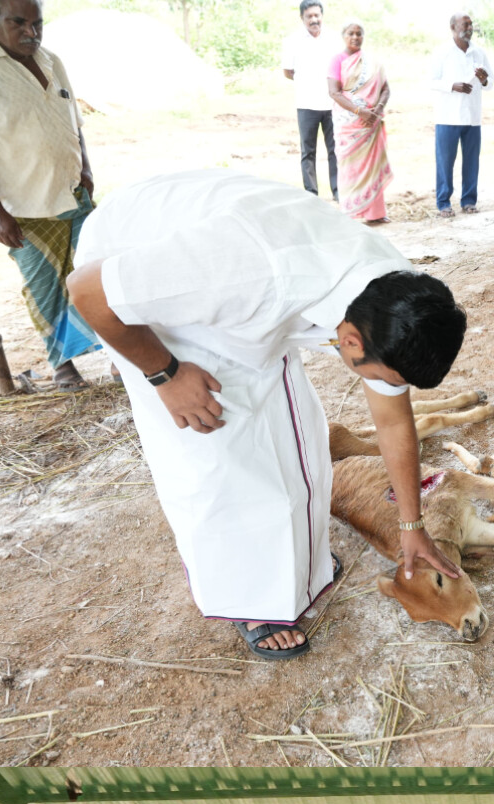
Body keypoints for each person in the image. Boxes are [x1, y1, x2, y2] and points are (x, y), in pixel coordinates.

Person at [67, 169, 466, 660]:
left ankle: (300, 565)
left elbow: (392, 420)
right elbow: (86, 291)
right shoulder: (240, 271)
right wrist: (165, 374)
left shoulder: (396, 294)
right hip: (132, 273)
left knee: (296, 427)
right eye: (386, 376)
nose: (388, 388)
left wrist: (411, 526)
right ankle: (249, 600)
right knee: (217, 448)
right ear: (351, 341)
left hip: (235, 277)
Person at [0, 0, 98, 392]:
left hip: (73, 193)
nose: (32, 32)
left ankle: (116, 353)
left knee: (93, 273)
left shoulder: (51, 59)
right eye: (19, 23)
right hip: (23, 206)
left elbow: (74, 122)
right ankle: (63, 365)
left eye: (38, 23)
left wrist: (86, 169)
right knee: (45, 286)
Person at [327, 19, 392, 225]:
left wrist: (377, 110)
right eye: (351, 33)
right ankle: (351, 212)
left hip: (371, 122)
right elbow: (334, 92)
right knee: (349, 167)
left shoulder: (371, 62)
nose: (355, 37)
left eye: (359, 33)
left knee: (372, 166)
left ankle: (375, 213)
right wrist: (360, 111)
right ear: (343, 36)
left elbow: (385, 89)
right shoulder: (337, 60)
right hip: (349, 125)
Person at [433, 13, 493, 215]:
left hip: (472, 116)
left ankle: (469, 201)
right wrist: (453, 86)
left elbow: (490, 82)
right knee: (445, 162)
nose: (469, 28)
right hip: (447, 116)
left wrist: (484, 80)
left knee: (471, 161)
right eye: (465, 24)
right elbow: (431, 81)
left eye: (471, 25)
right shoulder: (442, 52)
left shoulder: (479, 52)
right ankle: (443, 203)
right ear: (453, 27)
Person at [284, 1, 341, 199]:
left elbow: (341, 68)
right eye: (309, 16)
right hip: (306, 104)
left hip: (332, 104)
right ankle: (311, 194)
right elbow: (287, 71)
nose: (314, 19)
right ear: (302, 18)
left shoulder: (334, 38)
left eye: (317, 15)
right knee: (308, 151)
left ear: (322, 15)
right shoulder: (292, 41)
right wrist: (307, 83)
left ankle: (338, 192)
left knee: (335, 150)